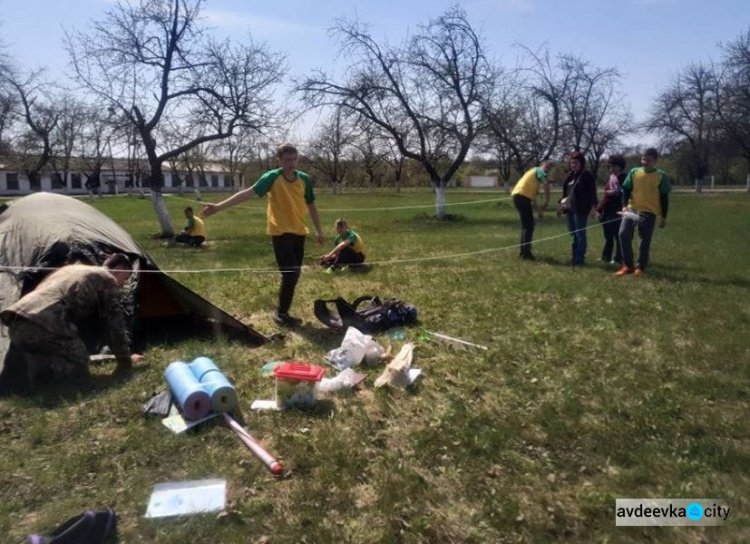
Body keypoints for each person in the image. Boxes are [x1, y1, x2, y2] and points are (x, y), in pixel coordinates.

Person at [200, 143, 324, 327]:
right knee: (290, 274)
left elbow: (311, 204)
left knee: (294, 275)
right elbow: (246, 194)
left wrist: (319, 230)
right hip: (280, 233)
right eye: (287, 159)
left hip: (299, 233)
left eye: (294, 159)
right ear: (279, 160)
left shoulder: (304, 179)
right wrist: (218, 207)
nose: (291, 163)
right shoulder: (272, 177)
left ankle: (283, 312)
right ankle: (281, 314)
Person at [0, 254, 144, 387]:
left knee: (49, 354)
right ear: (119, 270)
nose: (123, 285)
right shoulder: (107, 279)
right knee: (79, 359)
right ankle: (61, 384)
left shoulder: (72, 268)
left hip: (16, 321)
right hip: (44, 324)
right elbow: (114, 325)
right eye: (125, 279)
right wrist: (125, 362)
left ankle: (35, 381)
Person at [615, 148, 671, 277]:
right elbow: (626, 189)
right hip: (631, 209)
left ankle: (640, 266)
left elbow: (664, 198)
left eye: (648, 160)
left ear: (655, 161)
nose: (645, 162)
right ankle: (628, 265)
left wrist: (663, 217)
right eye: (643, 159)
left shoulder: (661, 175)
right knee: (623, 234)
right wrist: (624, 206)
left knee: (644, 241)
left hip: (649, 213)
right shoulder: (634, 172)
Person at [560, 151, 598, 266]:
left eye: (576, 163)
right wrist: (562, 204)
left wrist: (593, 207)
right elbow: (565, 192)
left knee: (580, 234)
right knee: (572, 234)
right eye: (571, 163)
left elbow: (592, 192)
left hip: (581, 209)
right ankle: (574, 255)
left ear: (581, 163)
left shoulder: (586, 175)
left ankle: (580, 258)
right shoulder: (570, 175)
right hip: (570, 209)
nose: (573, 165)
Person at [511, 160, 552, 260]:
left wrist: (539, 211)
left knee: (526, 225)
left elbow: (533, 199)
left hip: (518, 196)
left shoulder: (533, 178)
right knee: (529, 225)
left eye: (549, 168)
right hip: (522, 197)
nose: (547, 169)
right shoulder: (539, 170)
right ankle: (526, 253)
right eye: (547, 166)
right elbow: (546, 183)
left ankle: (523, 252)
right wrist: (547, 200)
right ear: (542, 165)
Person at [597, 155, 626, 264]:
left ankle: (619, 258)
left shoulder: (623, 178)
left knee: (617, 236)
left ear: (620, 167)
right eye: (610, 166)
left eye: (614, 166)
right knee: (608, 236)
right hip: (606, 211)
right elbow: (605, 196)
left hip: (616, 211)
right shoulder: (611, 178)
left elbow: (623, 194)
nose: (611, 169)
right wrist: (599, 209)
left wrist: (614, 194)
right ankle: (606, 257)